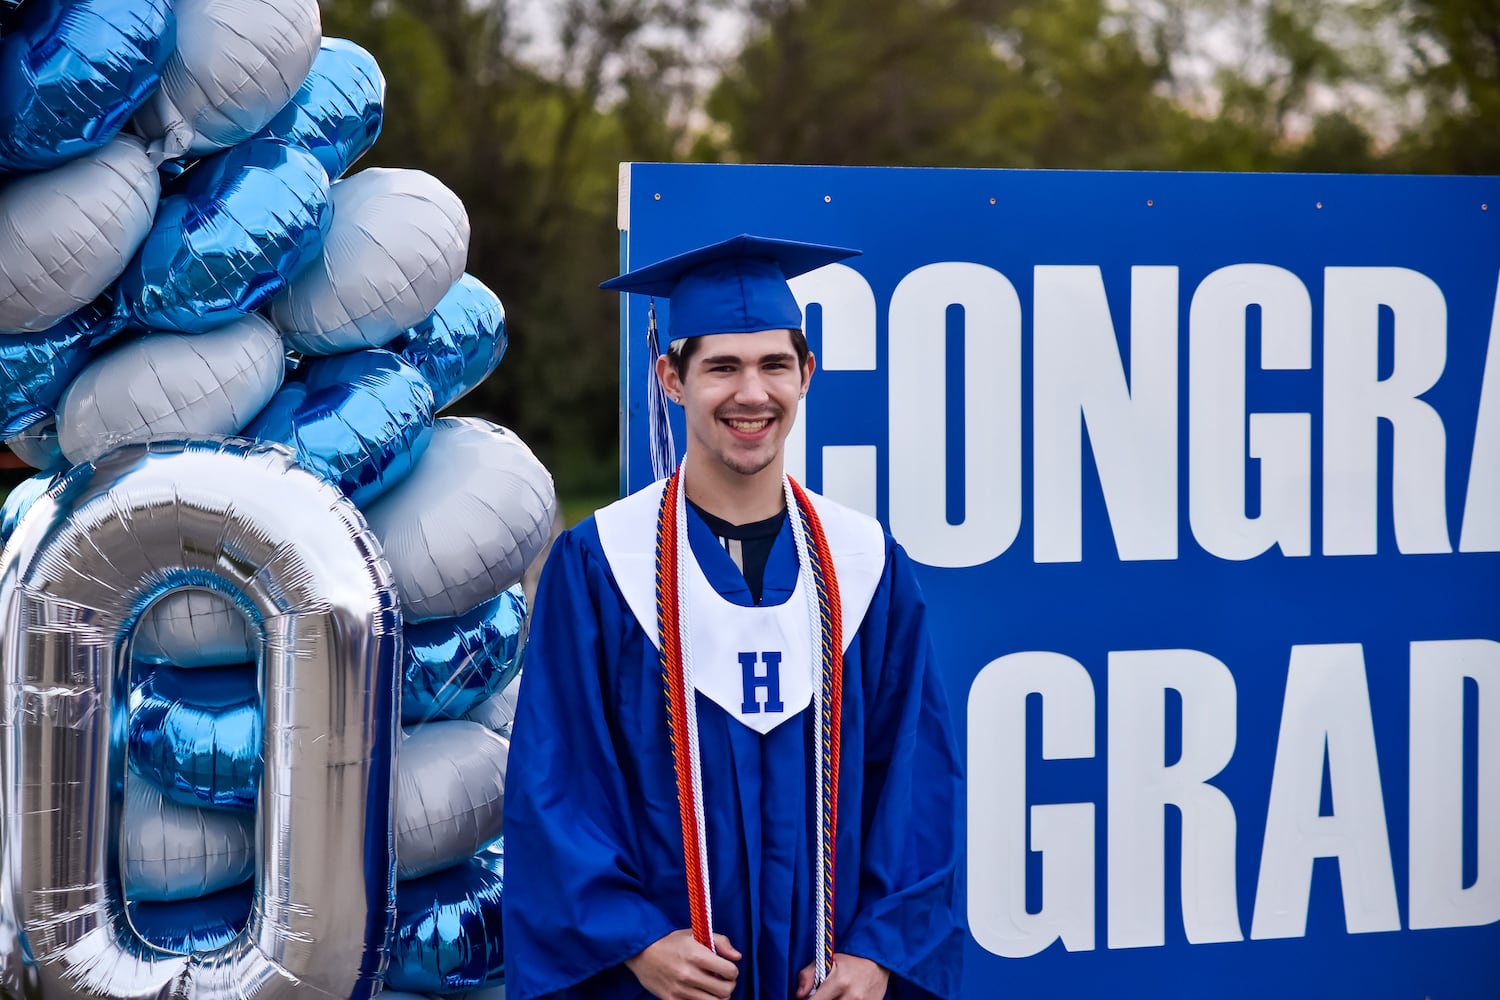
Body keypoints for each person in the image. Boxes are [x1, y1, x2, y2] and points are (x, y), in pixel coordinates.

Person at [502, 234, 963, 1000]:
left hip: (826, 979)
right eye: (722, 366)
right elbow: (557, 781)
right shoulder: (599, 566)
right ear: (671, 380)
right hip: (658, 985)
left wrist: (879, 956)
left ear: (805, 374)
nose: (753, 393)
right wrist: (636, 940)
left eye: (774, 365)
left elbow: (918, 787)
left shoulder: (866, 567)